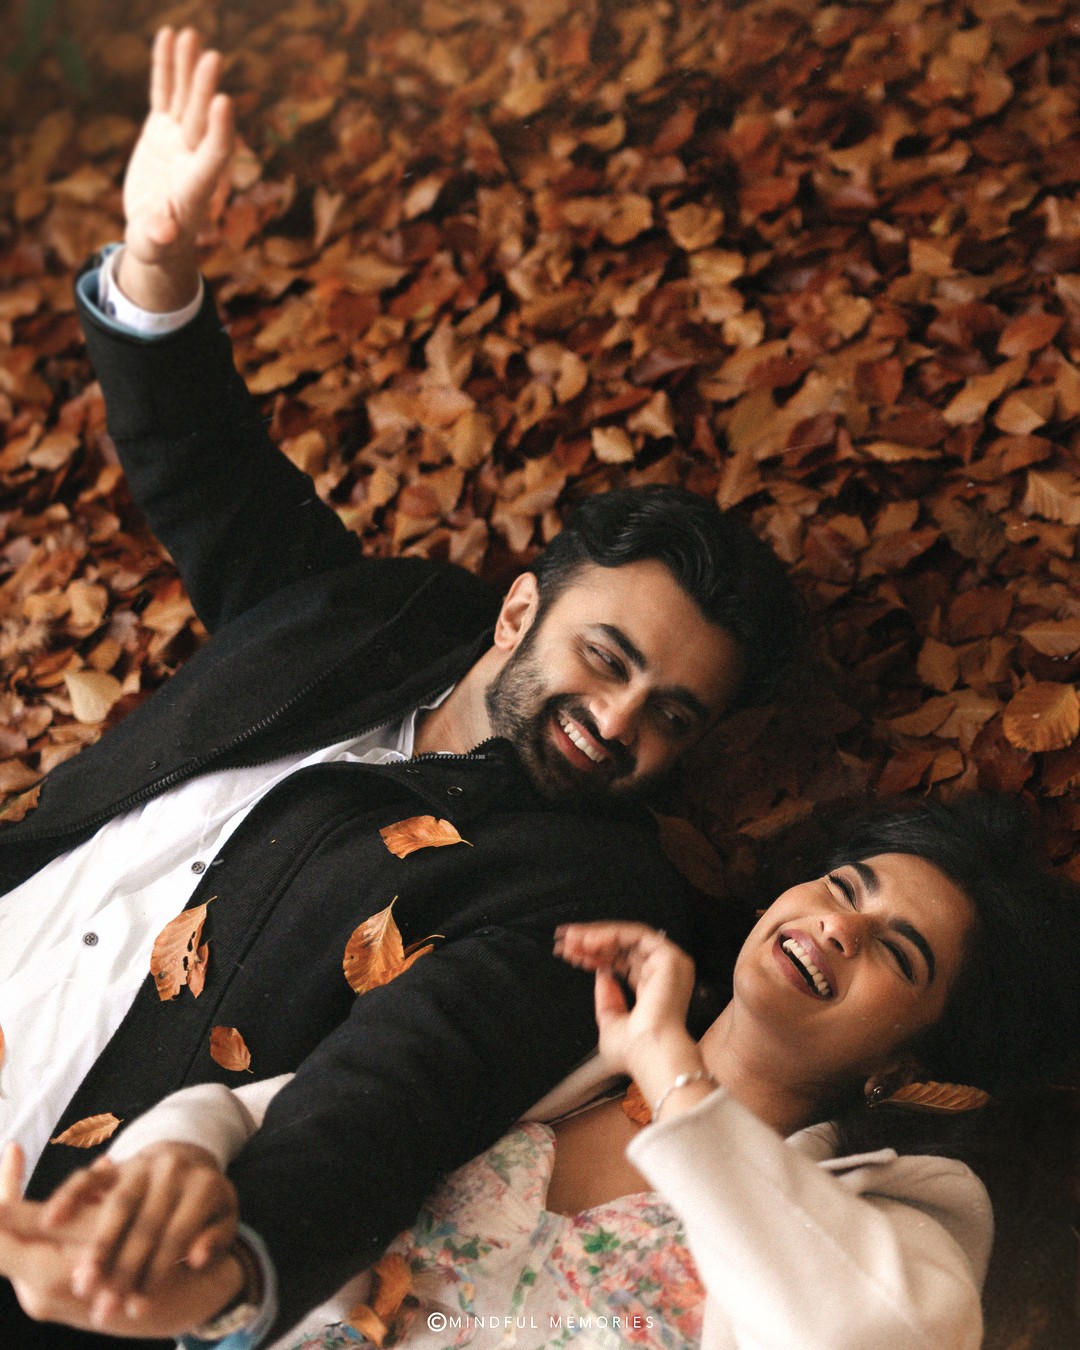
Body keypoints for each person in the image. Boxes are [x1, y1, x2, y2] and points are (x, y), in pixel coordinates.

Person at [0, 27, 802, 1349]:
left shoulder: (589, 886)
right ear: (517, 607)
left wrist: (243, 1257)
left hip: (54, 1214)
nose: (618, 723)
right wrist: (155, 259)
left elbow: (408, 1086)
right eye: (606, 659)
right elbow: (216, 483)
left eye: (674, 713)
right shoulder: (380, 619)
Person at [0, 794, 1076, 1350]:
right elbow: (270, 1113)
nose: (841, 925)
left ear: (909, 1064)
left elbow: (864, 1340)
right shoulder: (555, 1046)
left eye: (898, 950)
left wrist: (676, 1073)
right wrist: (173, 1168)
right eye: (844, 886)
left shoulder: (905, 1216)